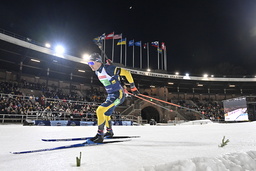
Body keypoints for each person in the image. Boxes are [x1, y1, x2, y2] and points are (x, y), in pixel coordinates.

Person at [86, 53, 140, 143]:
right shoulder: (97, 71)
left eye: (91, 63)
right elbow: (115, 78)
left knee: (100, 110)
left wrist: (133, 87)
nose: (90, 65)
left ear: (98, 62)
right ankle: (109, 132)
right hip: (110, 95)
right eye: (88, 64)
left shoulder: (108, 69)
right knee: (106, 113)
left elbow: (126, 73)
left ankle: (100, 135)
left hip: (118, 95)